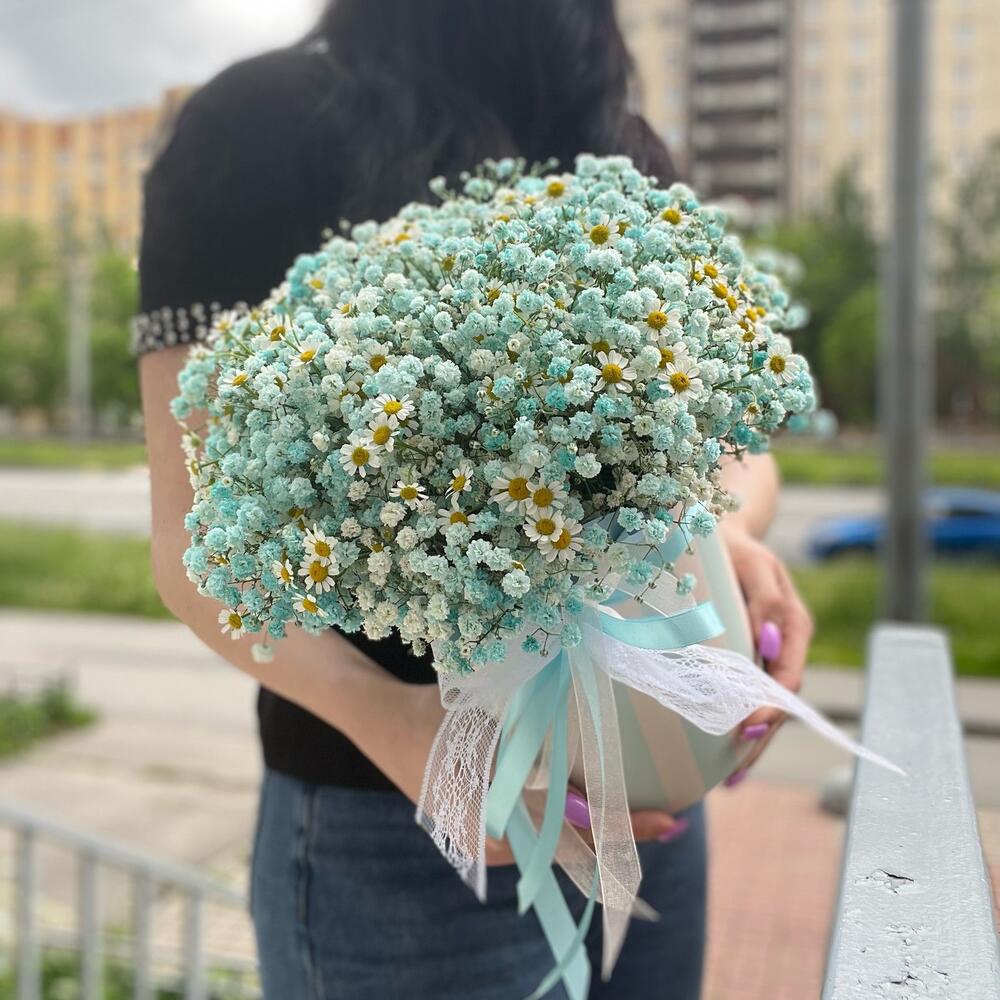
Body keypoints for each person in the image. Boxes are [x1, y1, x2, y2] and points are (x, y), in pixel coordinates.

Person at [136, 1, 813, 996]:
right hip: (405, 836)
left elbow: (736, 454)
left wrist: (732, 536)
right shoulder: (264, 123)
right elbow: (194, 537)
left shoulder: (614, 140)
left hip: (657, 808)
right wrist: (405, 730)